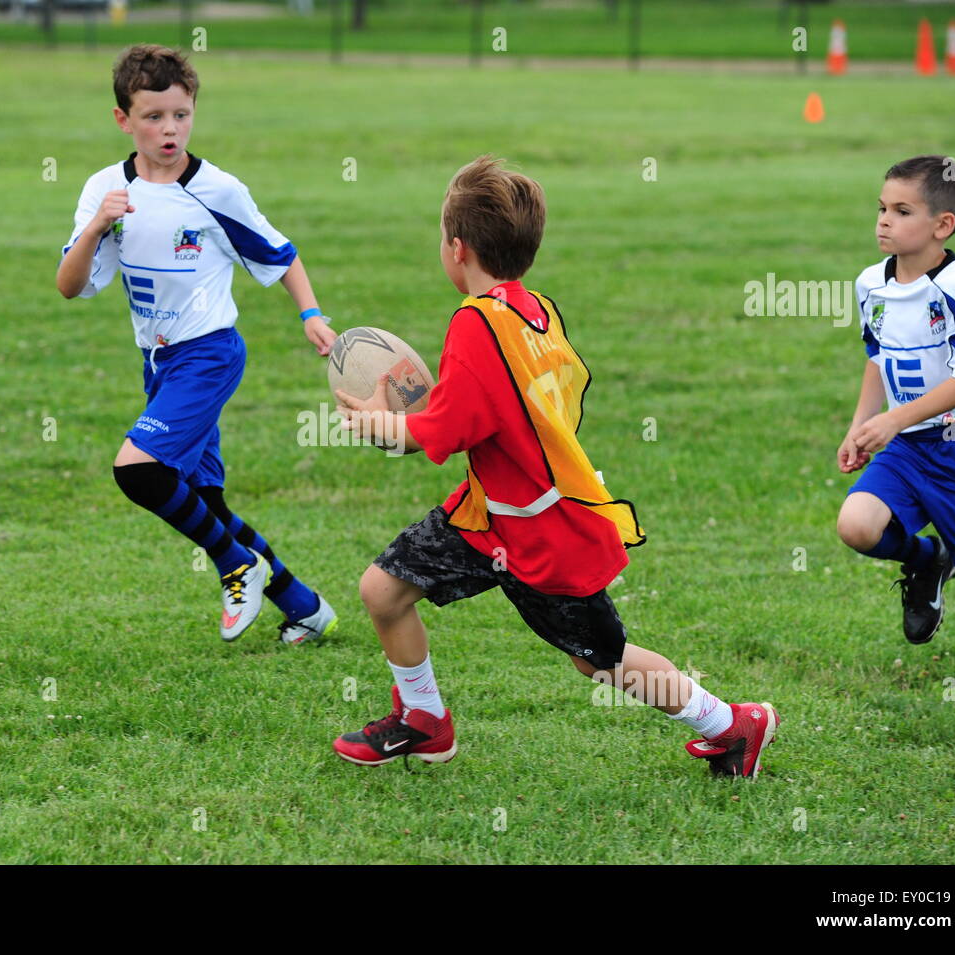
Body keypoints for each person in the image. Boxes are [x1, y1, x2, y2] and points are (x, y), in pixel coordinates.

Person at [333, 156, 779, 777]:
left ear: (456, 248)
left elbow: (445, 433)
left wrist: (380, 425)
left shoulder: (475, 323)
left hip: (542, 532)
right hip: (489, 514)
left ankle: (734, 724)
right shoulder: (535, 311)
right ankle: (423, 719)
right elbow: (491, 407)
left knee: (603, 663)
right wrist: (416, 415)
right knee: (383, 589)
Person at [56, 44, 338, 644]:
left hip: (209, 354)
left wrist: (310, 313)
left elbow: (280, 255)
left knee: (138, 470)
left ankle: (237, 567)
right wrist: (96, 227)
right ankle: (306, 607)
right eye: (154, 116)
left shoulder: (217, 190)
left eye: (181, 115)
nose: (169, 129)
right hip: (158, 362)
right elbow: (69, 285)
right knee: (205, 500)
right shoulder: (105, 189)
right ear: (123, 119)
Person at [837, 155, 955, 646]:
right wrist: (861, 424)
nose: (885, 220)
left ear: (942, 225)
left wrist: (894, 419)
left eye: (903, 211)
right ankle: (928, 559)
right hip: (909, 449)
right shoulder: (872, 283)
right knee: (857, 526)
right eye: (882, 207)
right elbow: (877, 356)